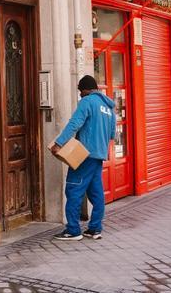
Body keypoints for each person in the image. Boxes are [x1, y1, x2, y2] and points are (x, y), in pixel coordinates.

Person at [50, 75, 116, 241]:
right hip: (99, 156)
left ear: (87, 89)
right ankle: (94, 229)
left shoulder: (87, 102)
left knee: (73, 189)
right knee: (96, 194)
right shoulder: (108, 108)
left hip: (84, 156)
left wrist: (59, 143)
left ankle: (73, 230)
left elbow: (74, 123)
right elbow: (112, 134)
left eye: (81, 91)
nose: (80, 94)